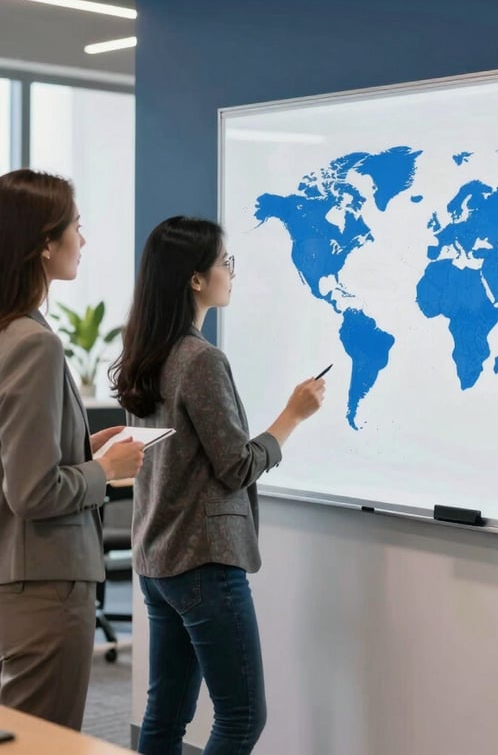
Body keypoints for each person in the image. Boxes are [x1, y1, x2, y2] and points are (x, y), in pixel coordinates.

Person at [110, 216, 325, 755]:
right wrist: (291, 417)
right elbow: (236, 467)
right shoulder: (201, 360)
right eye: (224, 262)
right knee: (242, 715)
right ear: (195, 279)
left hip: (159, 560)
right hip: (202, 563)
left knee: (165, 716)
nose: (231, 272)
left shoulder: (148, 352)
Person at [0, 170, 145, 730]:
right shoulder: (35, 343)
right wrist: (104, 471)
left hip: (21, 577)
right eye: (76, 228)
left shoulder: (12, 331)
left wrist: (81, 449)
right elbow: (33, 491)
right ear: (43, 242)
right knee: (46, 740)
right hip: (47, 584)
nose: (81, 241)